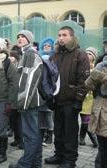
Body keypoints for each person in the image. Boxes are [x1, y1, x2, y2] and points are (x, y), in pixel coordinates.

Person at [44, 26, 90, 168]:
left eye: (64, 35)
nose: (61, 38)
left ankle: (70, 160)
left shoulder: (80, 54)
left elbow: (84, 80)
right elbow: (50, 78)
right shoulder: (55, 55)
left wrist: (78, 100)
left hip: (71, 101)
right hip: (57, 100)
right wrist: (50, 98)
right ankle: (59, 155)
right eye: (59, 35)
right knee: (58, 130)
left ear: (72, 37)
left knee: (70, 132)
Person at [9, 30, 44, 168]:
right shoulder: (27, 53)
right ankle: (35, 163)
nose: (20, 38)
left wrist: (23, 102)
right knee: (34, 133)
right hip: (30, 101)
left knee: (30, 134)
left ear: (29, 40)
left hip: (29, 102)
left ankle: (25, 164)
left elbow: (29, 80)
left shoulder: (29, 54)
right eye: (18, 36)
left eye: (23, 37)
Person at [85, 54, 107, 168]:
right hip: (100, 110)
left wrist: (103, 77)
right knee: (102, 147)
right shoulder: (100, 65)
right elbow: (88, 85)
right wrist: (93, 77)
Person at [79, 47, 99, 148]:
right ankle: (81, 138)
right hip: (80, 96)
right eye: (86, 53)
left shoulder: (96, 68)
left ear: (94, 57)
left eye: (90, 54)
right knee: (81, 118)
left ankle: (92, 138)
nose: (87, 55)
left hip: (89, 98)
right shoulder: (81, 65)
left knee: (86, 119)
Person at [38, 37, 56, 145]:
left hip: (49, 91)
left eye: (48, 46)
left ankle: (50, 136)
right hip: (40, 91)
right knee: (41, 114)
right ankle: (42, 134)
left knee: (49, 116)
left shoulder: (53, 58)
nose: (46, 47)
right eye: (45, 46)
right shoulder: (39, 57)